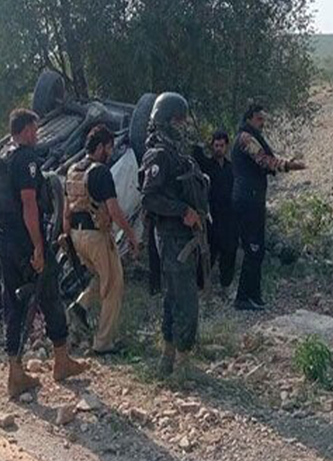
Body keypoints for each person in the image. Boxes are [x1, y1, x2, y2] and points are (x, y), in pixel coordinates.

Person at [0, 108, 89, 398]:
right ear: (26, 129)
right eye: (34, 128)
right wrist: (37, 247)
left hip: (6, 241)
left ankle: (19, 370)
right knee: (49, 296)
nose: (37, 134)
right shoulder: (25, 159)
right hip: (26, 242)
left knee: (14, 302)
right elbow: (29, 204)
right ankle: (59, 362)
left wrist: (2, 237)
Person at [141, 92, 209, 376]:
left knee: (175, 296)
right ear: (167, 120)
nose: (183, 126)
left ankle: (169, 358)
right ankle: (180, 360)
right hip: (173, 237)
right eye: (179, 121)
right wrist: (183, 211)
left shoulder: (174, 153)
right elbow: (150, 198)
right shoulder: (158, 154)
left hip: (184, 237)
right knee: (184, 298)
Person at [64, 124, 140, 354]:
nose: (111, 152)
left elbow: (67, 210)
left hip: (77, 237)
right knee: (114, 286)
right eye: (109, 147)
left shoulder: (73, 170)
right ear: (100, 147)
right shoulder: (100, 172)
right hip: (97, 237)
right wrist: (132, 236)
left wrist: (67, 237)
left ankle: (80, 307)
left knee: (101, 277)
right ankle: (103, 344)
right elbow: (114, 211)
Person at [231, 104, 306, 311]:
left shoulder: (250, 137)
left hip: (252, 199)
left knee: (257, 248)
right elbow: (264, 160)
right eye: (259, 119)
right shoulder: (246, 138)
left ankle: (253, 295)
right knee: (253, 248)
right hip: (248, 200)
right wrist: (288, 166)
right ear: (249, 119)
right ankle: (243, 297)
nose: (262, 124)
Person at [194, 130, 237, 292]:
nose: (219, 148)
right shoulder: (207, 166)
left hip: (229, 216)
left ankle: (225, 285)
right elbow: (196, 156)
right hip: (211, 216)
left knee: (229, 250)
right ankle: (200, 286)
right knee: (209, 251)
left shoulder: (231, 168)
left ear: (226, 147)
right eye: (216, 145)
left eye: (222, 145)